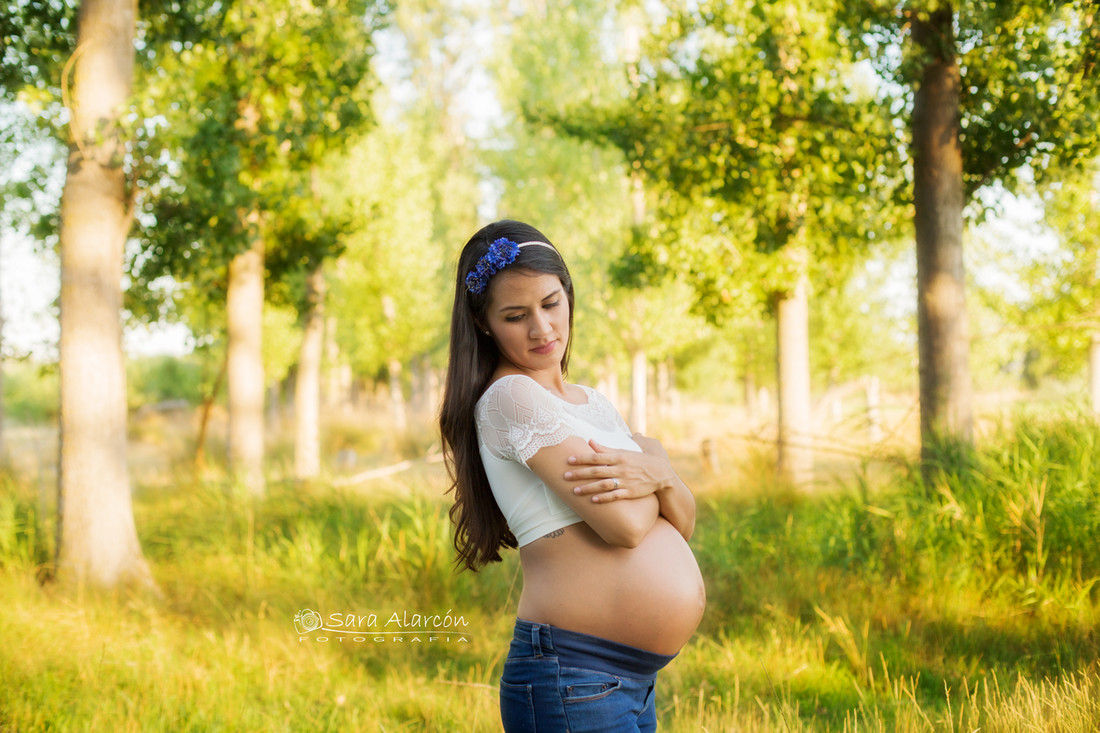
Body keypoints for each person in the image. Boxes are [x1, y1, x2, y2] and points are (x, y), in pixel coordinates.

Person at [439, 220, 706, 732]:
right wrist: (655, 468)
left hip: (618, 681)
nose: (541, 329)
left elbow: (684, 523)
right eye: (516, 315)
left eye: (551, 303)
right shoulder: (511, 398)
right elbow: (624, 527)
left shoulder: (592, 403)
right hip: (574, 677)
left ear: (569, 296)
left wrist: (660, 473)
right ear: (483, 323)